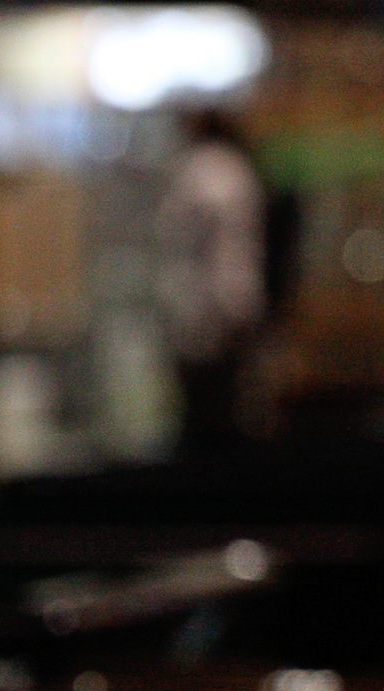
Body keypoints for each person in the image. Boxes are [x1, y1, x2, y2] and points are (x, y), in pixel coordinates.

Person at [157, 110, 266, 454]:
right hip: (225, 303)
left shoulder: (206, 170)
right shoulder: (234, 168)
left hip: (210, 310)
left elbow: (209, 249)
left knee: (208, 416)